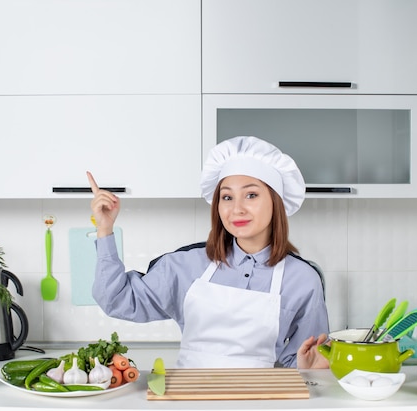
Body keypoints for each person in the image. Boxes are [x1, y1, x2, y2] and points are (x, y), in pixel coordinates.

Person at [88, 136, 329, 369]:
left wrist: (311, 366)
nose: (236, 209)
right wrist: (104, 229)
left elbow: (300, 361)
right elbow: (116, 300)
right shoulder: (185, 265)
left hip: (257, 402)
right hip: (189, 401)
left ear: (276, 202)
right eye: (227, 197)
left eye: (251, 195)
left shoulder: (303, 279)